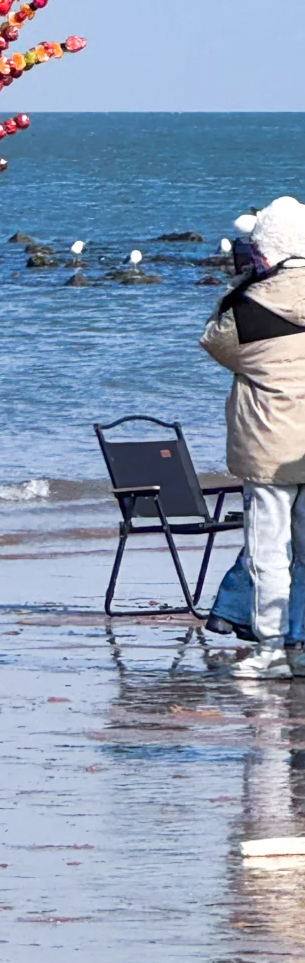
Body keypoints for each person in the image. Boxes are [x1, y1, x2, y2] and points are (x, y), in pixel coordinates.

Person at [201, 195, 305, 680]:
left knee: (268, 554)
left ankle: (271, 649)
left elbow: (214, 341)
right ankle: (300, 644)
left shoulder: (250, 305)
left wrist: (242, 283)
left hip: (268, 445)